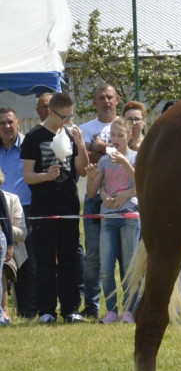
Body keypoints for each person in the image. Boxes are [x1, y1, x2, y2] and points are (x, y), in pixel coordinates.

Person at [21, 92, 89, 323]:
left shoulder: (70, 134)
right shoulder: (33, 137)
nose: (68, 121)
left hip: (69, 204)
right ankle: (47, 311)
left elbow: (81, 170)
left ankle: (71, 309)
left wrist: (80, 144)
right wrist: (46, 176)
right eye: (64, 117)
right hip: (43, 209)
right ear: (51, 112)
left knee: (70, 258)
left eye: (71, 116)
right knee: (46, 259)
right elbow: (28, 176)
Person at [85, 117, 140, 323]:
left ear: (129, 136)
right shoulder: (104, 160)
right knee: (106, 269)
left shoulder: (134, 157)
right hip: (108, 218)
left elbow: (141, 184)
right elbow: (92, 192)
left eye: (120, 135)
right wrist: (93, 180)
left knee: (129, 267)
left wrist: (125, 164)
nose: (115, 139)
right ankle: (111, 311)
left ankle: (128, 310)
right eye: (112, 135)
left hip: (130, 218)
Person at [77, 83, 121, 318]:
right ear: (94, 102)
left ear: (117, 99)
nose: (106, 102)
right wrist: (109, 149)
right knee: (93, 255)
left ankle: (128, 308)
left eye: (109, 97)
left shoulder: (124, 124)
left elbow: (130, 152)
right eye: (101, 98)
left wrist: (98, 145)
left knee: (125, 256)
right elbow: (85, 164)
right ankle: (92, 307)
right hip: (94, 197)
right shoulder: (85, 128)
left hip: (123, 198)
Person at [0, 107, 38, 317]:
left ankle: (28, 311)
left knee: (26, 261)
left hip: (23, 208)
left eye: (10, 122)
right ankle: (3, 310)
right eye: (2, 123)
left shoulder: (29, 147)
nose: (6, 126)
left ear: (18, 123)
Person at [0, 167, 27, 326]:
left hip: (5, 246)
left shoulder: (8, 198)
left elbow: (9, 226)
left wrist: (9, 244)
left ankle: (4, 312)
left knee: (1, 272)